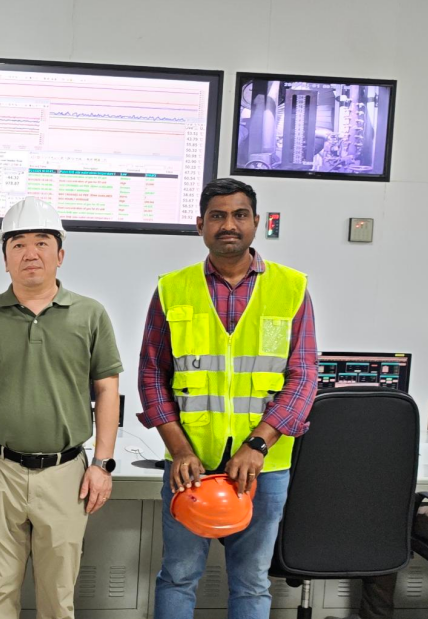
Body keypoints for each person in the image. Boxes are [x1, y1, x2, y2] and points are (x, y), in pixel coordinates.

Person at [138, 177, 318, 619]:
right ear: (200, 224)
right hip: (190, 464)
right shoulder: (173, 288)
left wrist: (258, 444)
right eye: (217, 216)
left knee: (252, 582)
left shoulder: (291, 288)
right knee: (177, 575)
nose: (229, 225)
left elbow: (303, 377)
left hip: (263, 468)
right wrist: (179, 449)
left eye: (239, 215)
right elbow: (152, 374)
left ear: (256, 222)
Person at [0, 197, 123, 619]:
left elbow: (107, 388)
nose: (30, 253)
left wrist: (102, 464)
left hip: (67, 474)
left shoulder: (90, 314)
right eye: (18, 245)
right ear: (5, 259)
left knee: (58, 597)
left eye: (42, 243)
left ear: (60, 254)